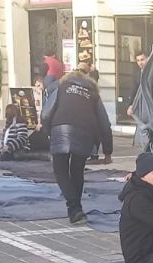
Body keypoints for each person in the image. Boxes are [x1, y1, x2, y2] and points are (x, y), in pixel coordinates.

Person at [41, 69, 113, 224]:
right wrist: (108, 151)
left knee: (60, 170)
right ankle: (75, 210)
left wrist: (48, 132)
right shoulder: (93, 94)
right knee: (77, 170)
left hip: (60, 129)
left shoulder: (61, 87)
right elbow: (104, 123)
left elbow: (46, 114)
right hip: (85, 133)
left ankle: (74, 208)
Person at [127, 49, 153, 120]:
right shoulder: (137, 75)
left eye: (142, 60)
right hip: (143, 108)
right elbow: (134, 91)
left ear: (148, 59)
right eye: (138, 60)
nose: (140, 63)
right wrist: (130, 105)